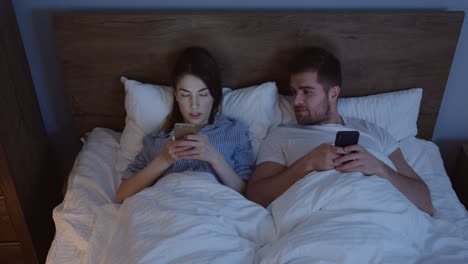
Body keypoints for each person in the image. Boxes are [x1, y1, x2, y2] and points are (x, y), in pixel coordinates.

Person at [245, 47, 434, 215]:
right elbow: (255, 197)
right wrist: (307, 164)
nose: (296, 102)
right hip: (321, 221)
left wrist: (379, 168)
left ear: (333, 93)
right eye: (294, 92)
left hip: (381, 216)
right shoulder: (282, 135)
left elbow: (425, 202)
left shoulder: (375, 133)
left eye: (306, 92)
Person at [115, 47, 254, 203]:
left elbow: (248, 195)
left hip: (215, 210)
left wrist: (215, 158)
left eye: (203, 94)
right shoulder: (156, 139)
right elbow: (121, 195)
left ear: (215, 95)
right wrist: (163, 160)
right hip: (168, 210)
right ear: (176, 96)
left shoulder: (234, 131)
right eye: (185, 95)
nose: (194, 105)